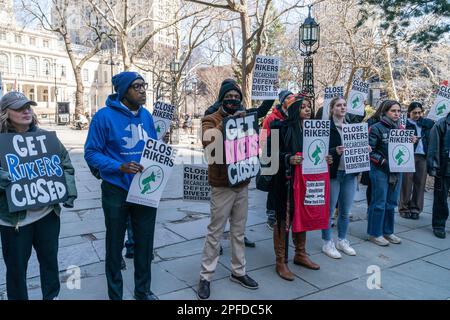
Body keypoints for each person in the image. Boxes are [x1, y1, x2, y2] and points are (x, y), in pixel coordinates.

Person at [84, 71, 159, 300]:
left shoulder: (146, 115)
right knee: (115, 244)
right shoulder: (103, 117)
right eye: (136, 86)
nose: (142, 90)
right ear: (124, 91)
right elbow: (91, 153)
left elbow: (153, 147)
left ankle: (142, 291)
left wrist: (158, 164)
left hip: (144, 189)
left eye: (143, 85)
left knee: (145, 244)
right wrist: (119, 166)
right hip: (116, 189)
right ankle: (115, 294)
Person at [0, 91, 77, 300]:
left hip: (47, 215)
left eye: (28, 107)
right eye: (19, 108)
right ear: (5, 113)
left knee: (50, 262)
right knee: (16, 271)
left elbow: (65, 165)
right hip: (13, 222)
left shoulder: (46, 138)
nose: (26, 111)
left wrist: (67, 191)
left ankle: (52, 297)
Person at [197, 81, 259, 299]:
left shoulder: (245, 118)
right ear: (222, 98)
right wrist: (226, 124)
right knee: (215, 232)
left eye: (236, 95)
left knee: (239, 231)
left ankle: (238, 271)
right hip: (222, 185)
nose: (233, 99)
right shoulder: (210, 119)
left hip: (242, 183)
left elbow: (252, 146)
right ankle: (206, 276)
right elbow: (208, 142)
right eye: (229, 96)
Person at [270, 94, 332, 281]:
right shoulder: (279, 128)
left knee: (301, 215)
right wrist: (288, 158)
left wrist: (328, 158)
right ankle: (281, 261)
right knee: (283, 219)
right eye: (303, 106)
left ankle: (300, 254)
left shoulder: (316, 130)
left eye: (309, 106)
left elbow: (319, 152)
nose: (307, 109)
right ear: (295, 109)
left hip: (306, 183)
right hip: (284, 182)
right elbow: (269, 155)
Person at [367, 100, 416, 246]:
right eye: (393, 111)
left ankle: (388, 232)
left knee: (391, 203)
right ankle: (375, 233)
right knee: (379, 203)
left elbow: (405, 152)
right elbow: (370, 151)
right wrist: (383, 162)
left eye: (398, 111)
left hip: (397, 171)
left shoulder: (402, 129)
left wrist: (411, 142)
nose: (396, 113)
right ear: (385, 112)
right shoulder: (376, 128)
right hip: (380, 171)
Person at [321, 97, 358, 259]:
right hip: (333, 174)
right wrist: (334, 150)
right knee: (328, 211)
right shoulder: (325, 127)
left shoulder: (352, 128)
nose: (342, 108)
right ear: (331, 109)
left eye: (344, 105)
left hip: (350, 174)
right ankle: (327, 242)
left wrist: (365, 148)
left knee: (345, 211)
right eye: (338, 105)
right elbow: (319, 149)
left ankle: (342, 240)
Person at [261, 90, 293, 231]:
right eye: (288, 98)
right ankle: (271, 216)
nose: (292, 99)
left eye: (293, 97)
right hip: (274, 157)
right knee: (273, 188)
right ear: (282, 102)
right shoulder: (271, 118)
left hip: (288, 158)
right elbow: (263, 139)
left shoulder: (294, 116)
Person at [399, 102, 434, 220]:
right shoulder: (403, 123)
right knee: (406, 182)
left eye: (420, 112)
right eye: (415, 113)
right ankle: (404, 208)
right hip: (409, 155)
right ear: (409, 112)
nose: (418, 115)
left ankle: (416, 209)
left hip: (423, 156)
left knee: (420, 182)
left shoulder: (427, 123)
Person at [427, 112, 450, 239]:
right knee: (441, 198)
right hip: (445, 168)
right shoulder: (441, 124)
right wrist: (434, 168)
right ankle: (439, 225)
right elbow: (433, 148)